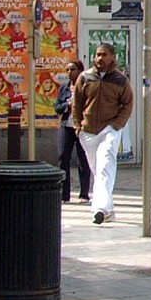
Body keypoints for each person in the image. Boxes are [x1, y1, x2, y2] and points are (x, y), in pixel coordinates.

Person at [73, 43, 135, 225]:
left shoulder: (120, 80)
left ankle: (99, 208)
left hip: (109, 128)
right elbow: (77, 104)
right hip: (88, 131)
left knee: (105, 164)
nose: (100, 58)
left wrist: (117, 125)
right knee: (97, 168)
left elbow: (128, 104)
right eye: (98, 54)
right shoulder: (85, 78)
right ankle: (108, 210)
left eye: (104, 55)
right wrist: (78, 127)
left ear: (113, 57)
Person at [54, 60, 90, 204]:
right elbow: (57, 107)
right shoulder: (64, 89)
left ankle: (84, 194)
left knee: (82, 160)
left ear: (80, 70)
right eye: (67, 70)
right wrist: (67, 105)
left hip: (81, 127)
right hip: (66, 126)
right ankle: (64, 194)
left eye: (73, 69)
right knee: (63, 157)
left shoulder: (87, 87)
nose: (70, 73)